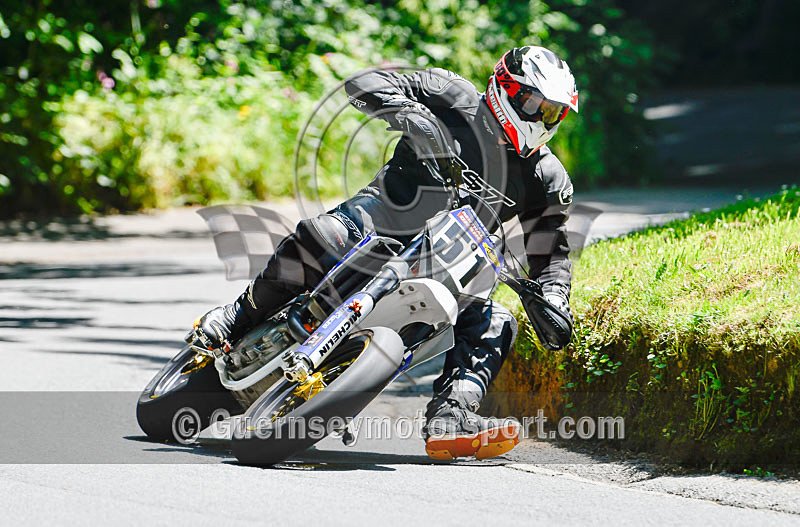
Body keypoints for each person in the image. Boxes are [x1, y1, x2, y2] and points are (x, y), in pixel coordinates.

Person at [187, 45, 579, 460]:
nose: (541, 118)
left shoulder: (547, 177)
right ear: (505, 87)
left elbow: (551, 251)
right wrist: (411, 115)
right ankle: (238, 315)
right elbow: (363, 83)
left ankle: (452, 416)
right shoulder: (452, 93)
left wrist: (555, 297)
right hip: (384, 214)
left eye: (553, 112)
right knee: (325, 235)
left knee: (495, 322)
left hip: (450, 257)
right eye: (535, 103)